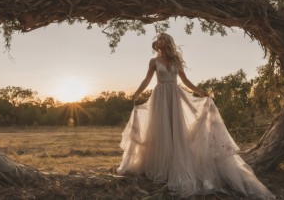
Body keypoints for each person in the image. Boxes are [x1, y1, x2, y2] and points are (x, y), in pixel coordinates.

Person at [117, 33, 275, 199]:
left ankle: (174, 164)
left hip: (175, 97)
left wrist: (201, 92)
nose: (157, 41)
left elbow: (185, 81)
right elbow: (147, 79)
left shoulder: (176, 60)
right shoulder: (153, 62)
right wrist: (136, 93)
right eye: (157, 39)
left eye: (161, 38)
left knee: (176, 130)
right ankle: (161, 167)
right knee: (161, 130)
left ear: (167, 42)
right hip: (160, 97)